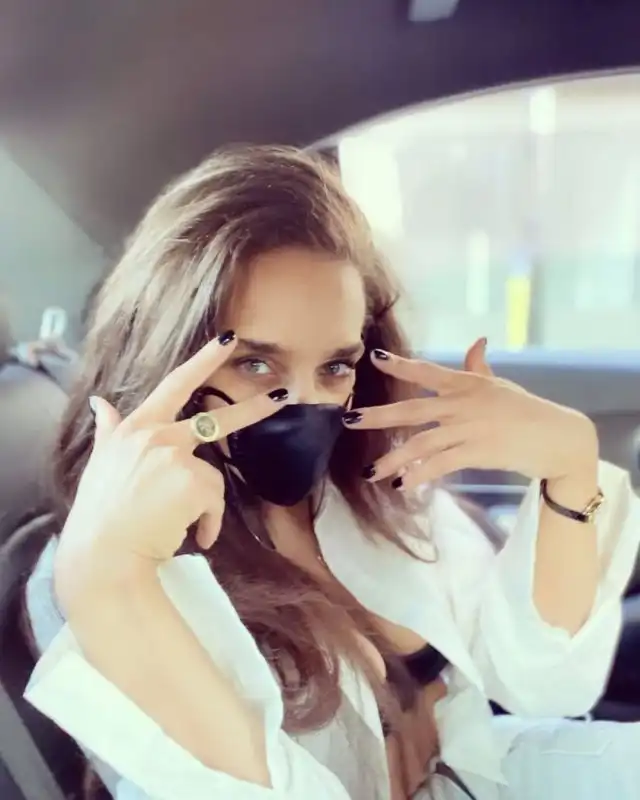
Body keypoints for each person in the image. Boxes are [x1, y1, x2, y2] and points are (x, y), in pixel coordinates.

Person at [23, 145, 640, 800]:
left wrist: (570, 471)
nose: (303, 403)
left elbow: (544, 684)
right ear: (167, 353)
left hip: (476, 774)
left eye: (335, 367)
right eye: (255, 364)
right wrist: (107, 577)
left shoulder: (361, 486)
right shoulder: (106, 566)